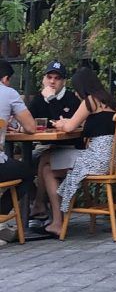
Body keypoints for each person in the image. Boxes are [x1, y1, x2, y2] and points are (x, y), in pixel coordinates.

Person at [39, 67, 116, 236]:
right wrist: (69, 122)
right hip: (114, 161)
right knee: (46, 157)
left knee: (47, 168)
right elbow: (88, 124)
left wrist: (62, 123)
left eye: (76, 89)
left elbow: (69, 128)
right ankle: (42, 208)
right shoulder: (108, 102)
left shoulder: (90, 100)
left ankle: (57, 222)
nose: (75, 93)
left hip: (97, 161)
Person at [27, 60, 82, 219]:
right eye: (49, 77)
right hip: (44, 145)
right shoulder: (38, 99)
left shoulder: (72, 99)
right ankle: (38, 203)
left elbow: (66, 123)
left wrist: (52, 99)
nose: (52, 81)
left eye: (57, 78)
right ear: (44, 79)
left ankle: (39, 204)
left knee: (45, 158)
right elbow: (28, 120)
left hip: (69, 147)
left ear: (63, 82)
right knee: (24, 165)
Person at [0, 60, 35, 243]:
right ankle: (0, 214)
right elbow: (31, 127)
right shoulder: (8, 93)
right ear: (5, 78)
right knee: (27, 173)